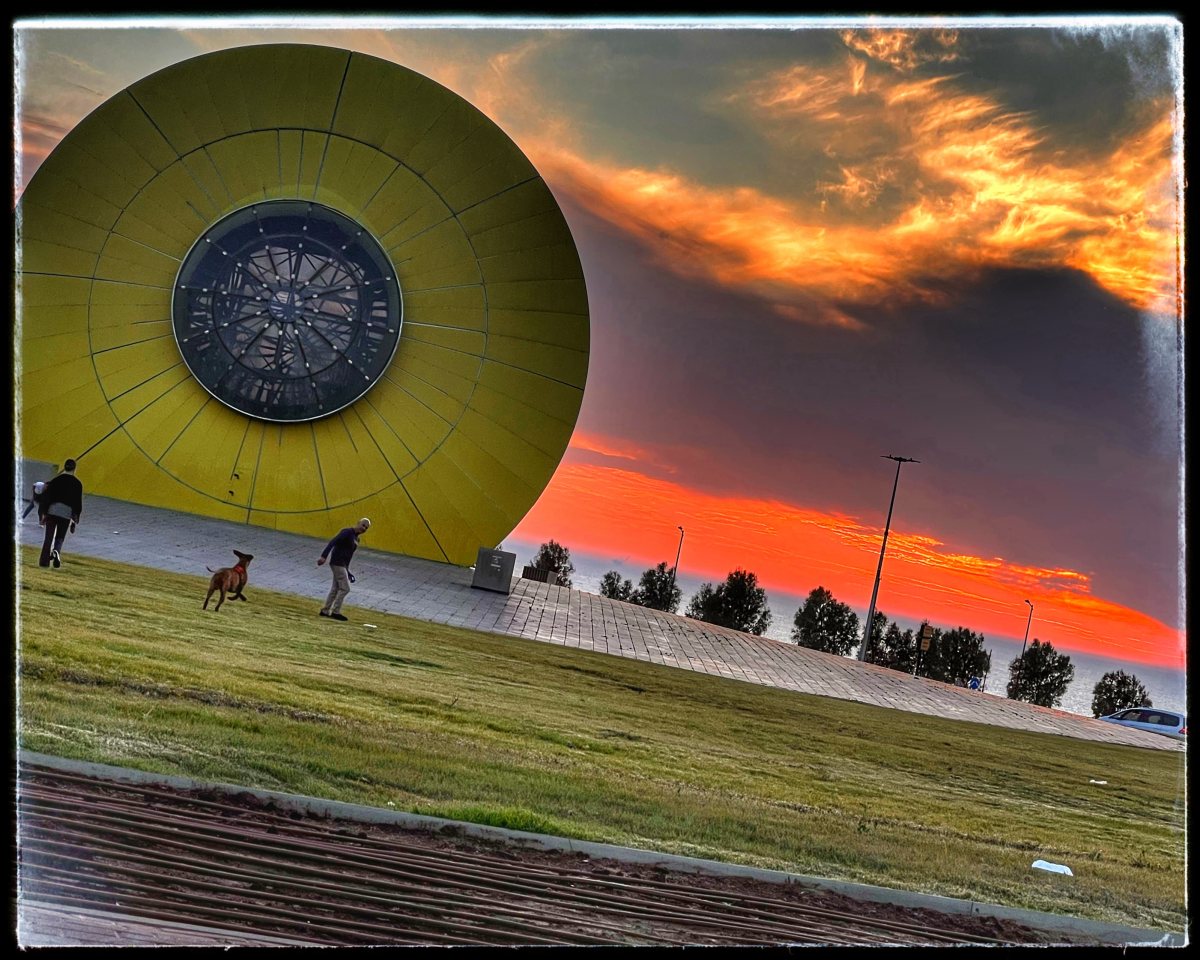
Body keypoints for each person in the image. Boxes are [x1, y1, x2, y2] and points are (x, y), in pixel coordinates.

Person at [317, 517, 370, 621]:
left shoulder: (356, 539)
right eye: (363, 525)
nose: (364, 528)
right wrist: (324, 556)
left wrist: (348, 572)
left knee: (335, 588)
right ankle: (335, 611)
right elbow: (333, 542)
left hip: (342, 564)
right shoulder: (347, 532)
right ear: (358, 523)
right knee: (345, 588)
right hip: (337, 563)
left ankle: (325, 610)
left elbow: (348, 557)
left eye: (366, 528)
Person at [38, 459, 83, 569]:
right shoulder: (77, 484)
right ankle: (56, 551)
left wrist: (43, 512)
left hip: (52, 510)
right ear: (74, 468)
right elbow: (78, 502)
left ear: (65, 467)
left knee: (48, 537)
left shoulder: (56, 480)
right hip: (66, 513)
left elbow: (47, 497)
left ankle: (44, 562)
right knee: (60, 536)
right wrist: (76, 515)